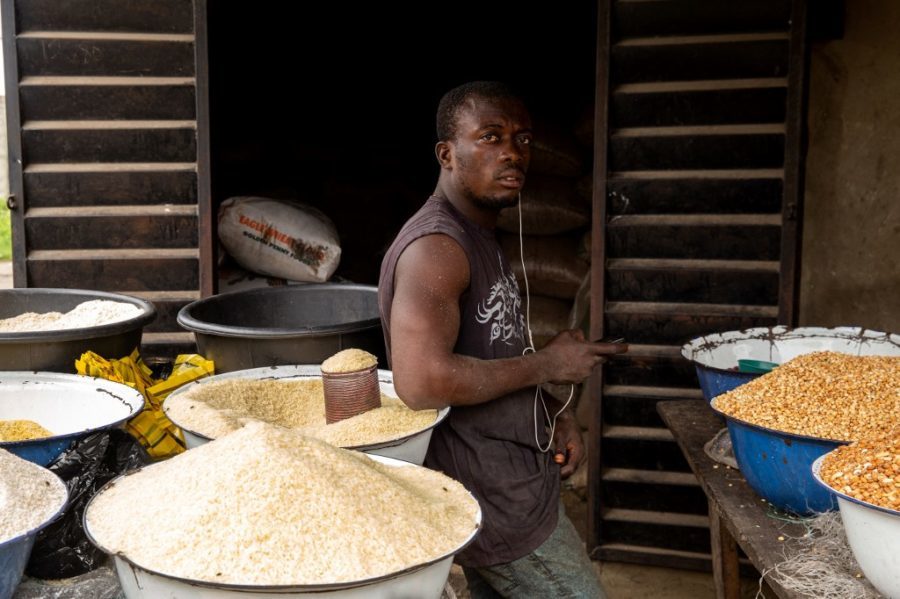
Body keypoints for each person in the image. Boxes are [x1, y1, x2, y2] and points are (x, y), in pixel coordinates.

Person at [378, 81, 625, 598]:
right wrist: (550, 366)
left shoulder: (482, 234)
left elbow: (490, 350)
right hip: (492, 496)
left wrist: (555, 412)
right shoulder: (437, 249)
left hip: (517, 477)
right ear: (447, 154)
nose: (513, 151)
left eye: (523, 139)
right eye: (489, 137)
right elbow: (421, 382)